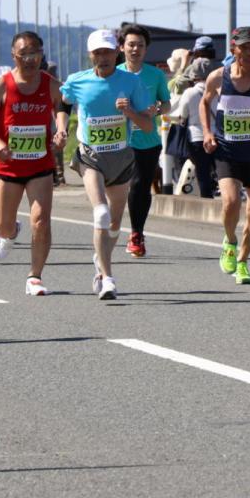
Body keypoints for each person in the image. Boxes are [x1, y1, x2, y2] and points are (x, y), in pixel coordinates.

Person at [62, 29, 153, 300]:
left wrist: (129, 112)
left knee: (114, 224)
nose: (103, 57)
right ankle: (107, 277)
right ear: (90, 55)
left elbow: (148, 125)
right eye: (97, 52)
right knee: (100, 213)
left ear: (117, 52)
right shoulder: (77, 81)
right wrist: (60, 127)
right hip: (91, 156)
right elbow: (61, 102)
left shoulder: (131, 82)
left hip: (121, 157)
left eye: (108, 51)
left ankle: (100, 260)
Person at [0, 31, 66, 295]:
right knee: (3, 226)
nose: (30, 58)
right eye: (24, 53)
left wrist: (61, 130)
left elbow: (61, 107)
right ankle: (9, 231)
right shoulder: (2, 85)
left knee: (41, 220)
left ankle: (34, 276)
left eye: (35, 52)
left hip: (40, 164)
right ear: (14, 56)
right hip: (9, 165)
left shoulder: (50, 83)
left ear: (42, 53)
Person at [199, 26, 250, 284]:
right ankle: (230, 241)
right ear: (233, 48)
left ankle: (243, 262)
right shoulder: (218, 76)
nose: (249, 53)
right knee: (231, 202)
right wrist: (207, 133)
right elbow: (204, 102)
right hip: (227, 150)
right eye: (244, 47)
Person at [116, 23, 172, 258]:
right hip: (118, 140)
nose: (135, 49)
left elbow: (167, 103)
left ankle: (136, 233)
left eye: (140, 45)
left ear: (146, 49)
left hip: (147, 139)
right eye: (131, 44)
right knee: (118, 188)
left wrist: (157, 110)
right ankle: (109, 229)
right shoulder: (114, 73)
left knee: (140, 186)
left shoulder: (156, 75)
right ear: (122, 47)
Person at [169, 57, 217, 198]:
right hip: (217, 136)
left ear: (193, 75)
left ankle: (206, 198)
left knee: (202, 172)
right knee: (221, 170)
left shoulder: (189, 93)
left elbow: (183, 114)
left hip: (196, 137)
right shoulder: (218, 91)